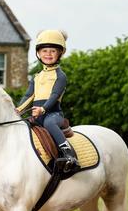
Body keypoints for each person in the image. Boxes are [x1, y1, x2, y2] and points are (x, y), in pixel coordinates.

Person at [16, 29, 80, 172]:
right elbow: (29, 96)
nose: (48, 54)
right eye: (44, 51)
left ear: (60, 53)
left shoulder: (60, 76)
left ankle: (69, 154)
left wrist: (42, 109)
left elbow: (55, 95)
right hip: (36, 114)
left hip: (53, 114)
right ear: (38, 53)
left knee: (49, 122)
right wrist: (18, 110)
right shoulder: (37, 76)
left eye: (52, 51)